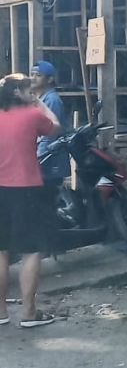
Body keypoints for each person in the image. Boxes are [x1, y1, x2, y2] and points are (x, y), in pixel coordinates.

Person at [0, 74, 61, 328]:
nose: (32, 91)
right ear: (17, 93)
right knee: (31, 250)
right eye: (28, 89)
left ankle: (1, 312)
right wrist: (39, 103)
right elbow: (56, 127)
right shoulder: (32, 115)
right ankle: (28, 312)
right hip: (25, 188)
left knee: (1, 250)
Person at [30, 61, 71, 189]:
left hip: (50, 159)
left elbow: (50, 134)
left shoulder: (52, 100)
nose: (33, 78)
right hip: (43, 157)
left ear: (50, 79)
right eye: (32, 74)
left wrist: (37, 159)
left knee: (48, 197)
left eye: (38, 75)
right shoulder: (39, 99)